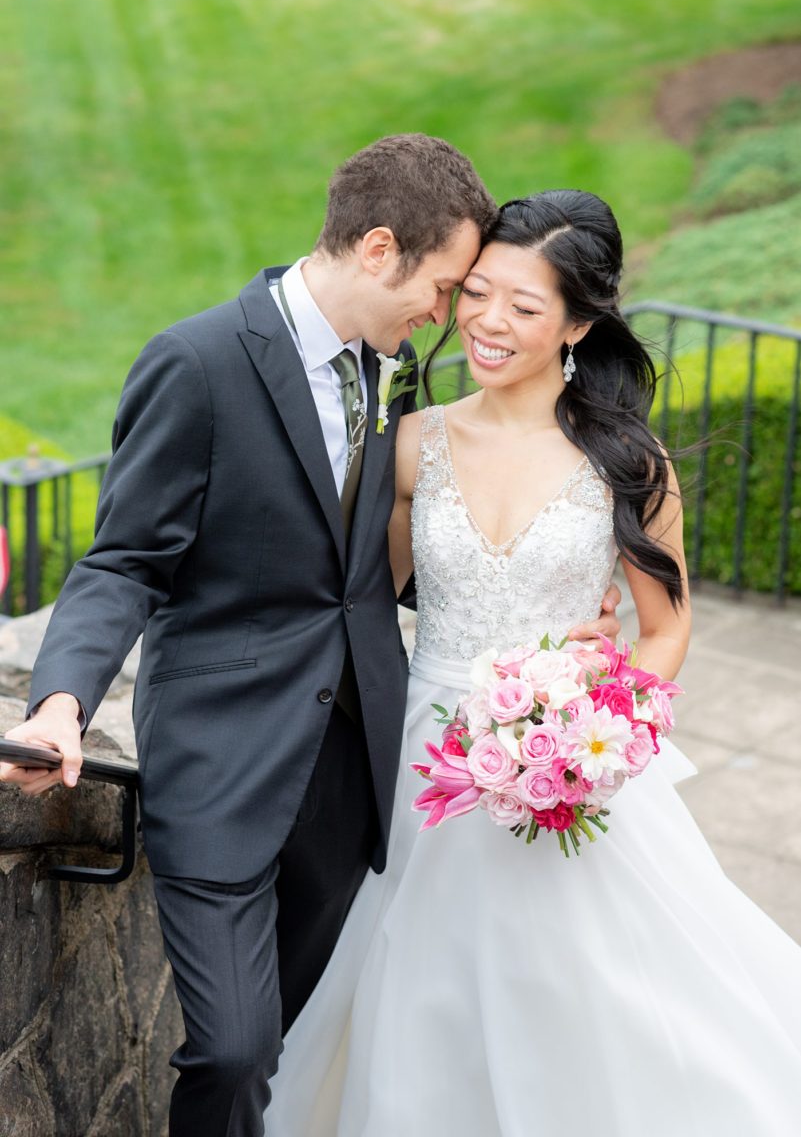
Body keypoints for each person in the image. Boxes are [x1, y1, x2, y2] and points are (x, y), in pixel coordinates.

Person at [0, 141, 622, 1137]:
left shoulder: (387, 376)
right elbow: (122, 562)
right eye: (447, 285)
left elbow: (371, 567)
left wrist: (553, 631)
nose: (452, 314)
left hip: (352, 778)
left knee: (288, 1038)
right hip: (220, 756)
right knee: (234, 1048)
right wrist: (64, 702)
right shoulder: (197, 362)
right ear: (379, 249)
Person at [267, 189, 801, 1136]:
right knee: (419, 987)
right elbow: (358, 600)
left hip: (573, 763)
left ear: (578, 324)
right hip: (424, 759)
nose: (486, 322)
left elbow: (667, 627)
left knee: (589, 991)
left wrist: (608, 721)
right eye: (475, 294)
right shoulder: (412, 444)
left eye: (523, 306)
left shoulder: (628, 463)